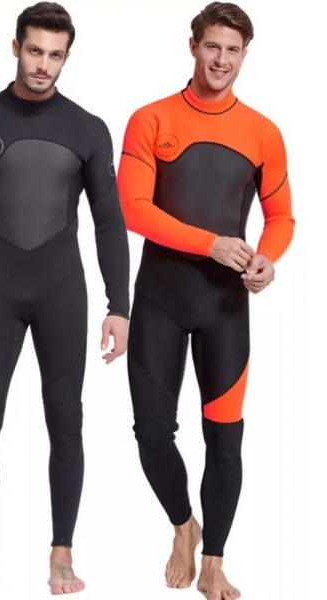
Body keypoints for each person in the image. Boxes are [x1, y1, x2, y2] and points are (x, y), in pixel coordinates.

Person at [0, 2, 130, 598]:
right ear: (15, 47)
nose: (43, 64)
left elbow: (109, 221)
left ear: (66, 57)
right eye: (34, 51)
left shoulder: (88, 128)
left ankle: (61, 554)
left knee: (66, 422)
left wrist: (119, 305)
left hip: (61, 293)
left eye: (55, 54)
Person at [117, 3, 294, 599]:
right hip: (160, 303)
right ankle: (183, 525)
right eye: (212, 46)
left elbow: (282, 216)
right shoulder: (151, 119)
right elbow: (134, 209)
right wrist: (212, 244)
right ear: (193, 46)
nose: (222, 60)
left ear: (245, 55)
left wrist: (267, 258)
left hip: (225, 309)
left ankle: (214, 559)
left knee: (224, 438)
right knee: (151, 434)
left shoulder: (263, 132)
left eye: (233, 50)